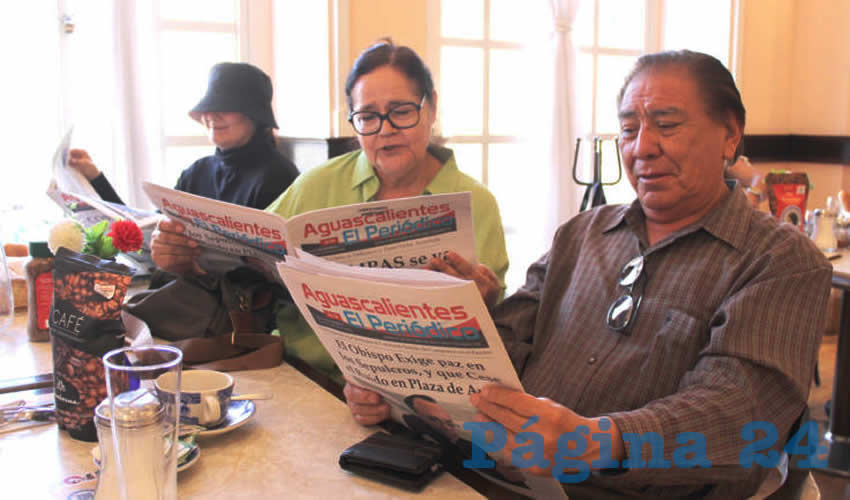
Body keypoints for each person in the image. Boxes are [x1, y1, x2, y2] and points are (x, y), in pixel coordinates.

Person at [345, 50, 832, 498]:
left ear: (730, 134)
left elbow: (739, 411)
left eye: (666, 123)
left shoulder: (779, 261)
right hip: (486, 476)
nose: (643, 148)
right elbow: (507, 343)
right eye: (628, 129)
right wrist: (403, 384)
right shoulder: (583, 233)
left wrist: (595, 440)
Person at [150, 41, 509, 382]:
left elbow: (496, 326)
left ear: (430, 107)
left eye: (401, 112)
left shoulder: (476, 203)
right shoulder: (317, 184)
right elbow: (243, 256)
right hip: (307, 377)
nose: (386, 131)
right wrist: (185, 258)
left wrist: (485, 300)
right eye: (368, 117)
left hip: (422, 390)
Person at [68, 62, 300, 210]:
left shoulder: (278, 177)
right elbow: (146, 234)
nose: (211, 116)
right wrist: (94, 178)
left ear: (254, 115)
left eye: (225, 107)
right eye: (209, 108)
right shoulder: (197, 173)